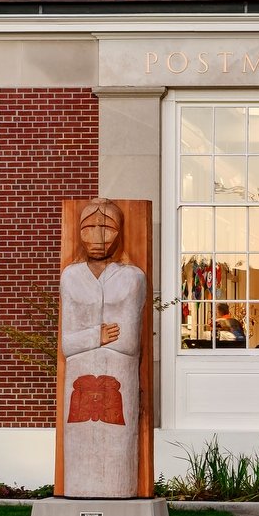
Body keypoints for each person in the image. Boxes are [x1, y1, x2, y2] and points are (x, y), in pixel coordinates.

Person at [58, 199, 146, 498]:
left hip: (119, 377)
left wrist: (87, 338)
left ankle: (119, 491)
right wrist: (97, 335)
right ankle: (77, 492)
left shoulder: (132, 277)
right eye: (88, 228)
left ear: (120, 232)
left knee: (115, 446)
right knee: (81, 441)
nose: (97, 237)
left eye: (106, 227)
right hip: (78, 379)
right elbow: (67, 344)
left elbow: (129, 341)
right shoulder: (71, 276)